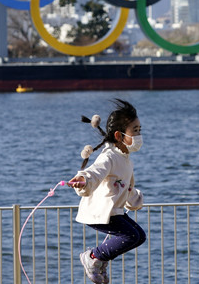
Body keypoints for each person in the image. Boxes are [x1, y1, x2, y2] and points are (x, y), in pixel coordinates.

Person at [68, 99, 146, 284]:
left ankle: (100, 261)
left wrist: (135, 199)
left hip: (114, 212)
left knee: (139, 236)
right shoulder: (109, 156)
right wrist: (83, 179)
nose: (139, 135)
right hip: (100, 212)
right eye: (135, 131)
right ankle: (93, 257)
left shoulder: (126, 160)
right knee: (131, 235)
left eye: (140, 130)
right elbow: (95, 171)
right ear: (119, 136)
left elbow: (126, 187)